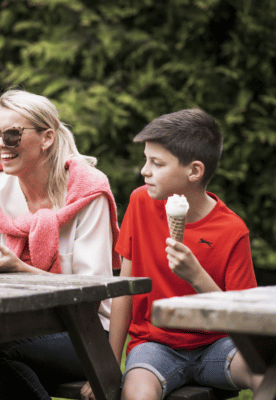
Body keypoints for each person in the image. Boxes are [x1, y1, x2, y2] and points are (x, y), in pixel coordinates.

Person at [0, 89, 121, 400]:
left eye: (12, 135)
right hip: (20, 324)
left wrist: (20, 270)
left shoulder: (87, 193)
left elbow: (93, 291)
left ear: (47, 138)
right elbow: (2, 270)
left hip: (85, 331)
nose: (0, 146)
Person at [100, 108, 263, 400]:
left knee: (266, 373)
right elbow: (124, 290)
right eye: (145, 160)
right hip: (154, 346)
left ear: (194, 171)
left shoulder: (232, 230)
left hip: (218, 346)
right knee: (137, 394)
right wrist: (108, 365)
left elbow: (245, 321)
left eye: (156, 163)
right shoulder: (140, 202)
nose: (144, 171)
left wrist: (196, 276)